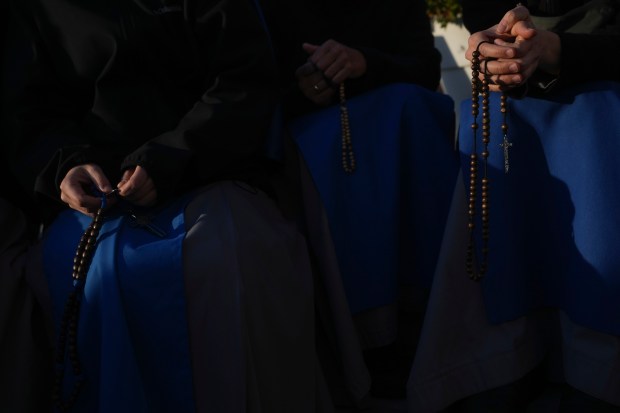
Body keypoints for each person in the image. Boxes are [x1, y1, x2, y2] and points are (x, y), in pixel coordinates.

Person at [5, 0, 340, 411]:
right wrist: (65, 167)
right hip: (92, 203)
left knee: (226, 258)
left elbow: (244, 80)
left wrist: (171, 159)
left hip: (213, 175)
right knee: (95, 276)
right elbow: (26, 109)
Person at [407, 3, 620, 412]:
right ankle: (510, 352)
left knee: (598, 117)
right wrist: (492, 45)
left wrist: (556, 50)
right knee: (489, 121)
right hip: (522, 89)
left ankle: (596, 362)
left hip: (604, 81)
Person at [257, 0, 461, 406]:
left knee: (414, 114)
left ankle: (440, 324)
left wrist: (364, 63)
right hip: (314, 143)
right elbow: (253, 88)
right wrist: (301, 90)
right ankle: (373, 344)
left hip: (400, 131)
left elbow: (424, 66)